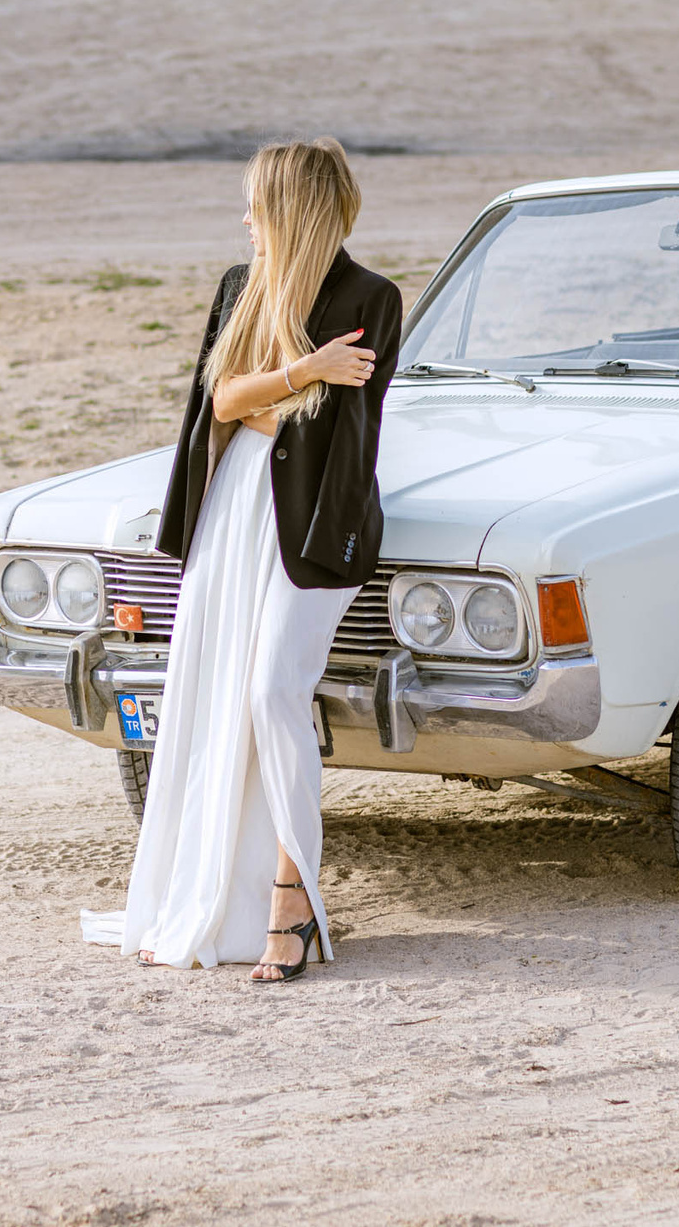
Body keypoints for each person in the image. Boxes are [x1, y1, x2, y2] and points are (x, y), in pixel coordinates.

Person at [80, 138, 402, 982]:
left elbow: (335, 434)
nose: (245, 222)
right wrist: (305, 373)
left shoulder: (372, 297)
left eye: (257, 206)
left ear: (291, 210)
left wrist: (274, 392)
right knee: (218, 694)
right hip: (232, 514)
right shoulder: (239, 287)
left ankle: (293, 898)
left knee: (270, 690)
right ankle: (219, 894)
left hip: (314, 528)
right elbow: (220, 403)